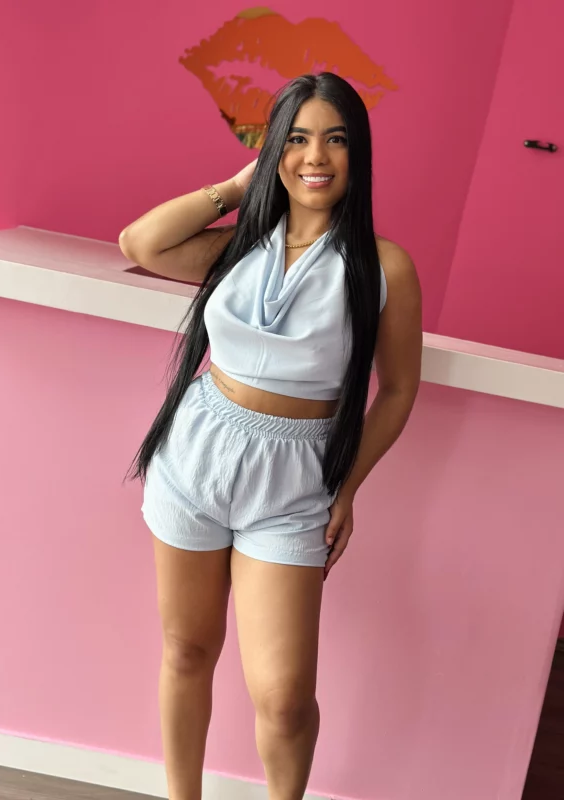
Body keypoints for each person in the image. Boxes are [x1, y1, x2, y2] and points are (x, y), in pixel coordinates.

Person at [119, 72, 422, 800]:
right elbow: (141, 242)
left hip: (296, 482)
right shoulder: (239, 246)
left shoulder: (384, 266)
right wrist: (234, 188)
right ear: (274, 152)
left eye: (336, 139)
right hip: (197, 455)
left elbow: (399, 390)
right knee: (187, 649)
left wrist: (347, 488)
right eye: (298, 139)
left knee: (285, 699)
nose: (316, 157)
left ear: (358, 154)